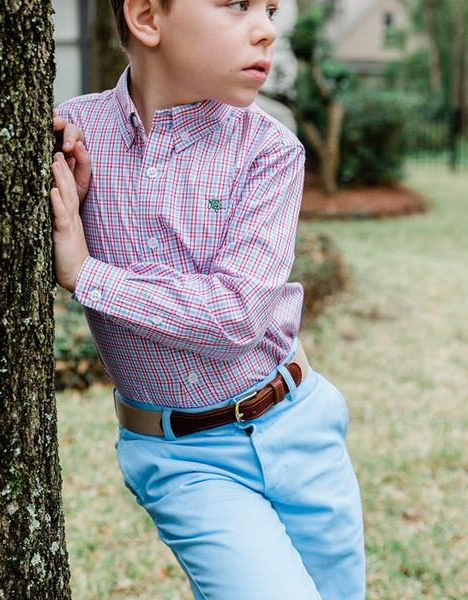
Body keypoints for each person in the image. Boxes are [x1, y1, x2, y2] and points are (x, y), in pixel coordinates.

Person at [49, 1, 366, 598]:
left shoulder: (270, 151)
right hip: (184, 460)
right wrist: (70, 215)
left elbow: (235, 314)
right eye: (236, 5)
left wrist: (88, 274)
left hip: (299, 426)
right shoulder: (75, 137)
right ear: (146, 17)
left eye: (270, 8)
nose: (267, 27)